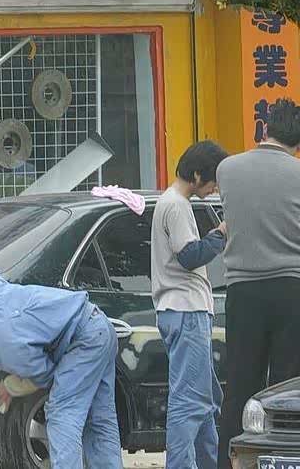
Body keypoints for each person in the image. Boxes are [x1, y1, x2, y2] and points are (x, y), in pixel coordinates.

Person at [0, 260, 123, 469]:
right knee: (100, 419)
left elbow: (46, 376)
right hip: (99, 326)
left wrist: (9, 386)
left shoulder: (11, 350)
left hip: (84, 343)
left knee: (61, 414)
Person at [217, 97, 300, 468]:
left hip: (243, 289)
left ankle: (229, 463)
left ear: (265, 127)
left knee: (239, 385)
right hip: (292, 289)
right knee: (288, 387)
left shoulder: (227, 168)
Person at [151, 140, 229, 469]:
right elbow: (190, 256)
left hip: (184, 311)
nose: (214, 189)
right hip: (186, 310)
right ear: (197, 175)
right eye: (213, 181)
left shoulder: (172, 202)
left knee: (206, 401)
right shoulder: (176, 205)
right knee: (190, 402)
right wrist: (221, 233)